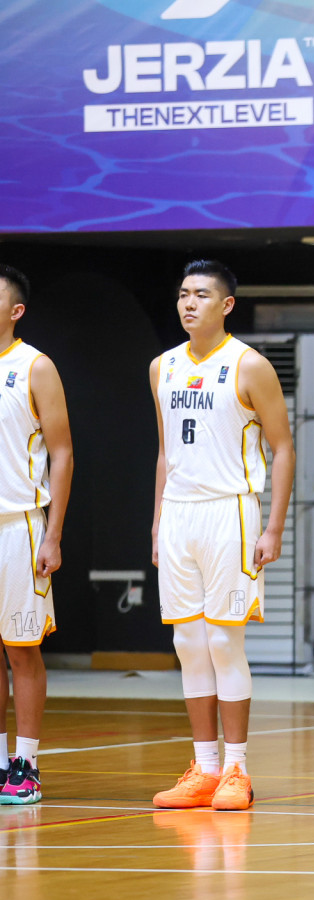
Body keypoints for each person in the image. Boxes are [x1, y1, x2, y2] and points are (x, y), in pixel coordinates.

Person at [151, 260, 294, 812]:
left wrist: (274, 524)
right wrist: (158, 520)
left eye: (202, 295)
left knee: (222, 641)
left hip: (230, 512)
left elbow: (283, 447)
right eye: (184, 294)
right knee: (188, 643)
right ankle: (204, 768)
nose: (189, 304)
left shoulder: (250, 365)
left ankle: (236, 767)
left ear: (226, 304)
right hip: (180, 513)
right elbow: (166, 452)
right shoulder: (161, 367)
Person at [0, 265, 74, 806]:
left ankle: (25, 762)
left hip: (19, 525)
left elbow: (62, 451)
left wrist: (53, 533)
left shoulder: (35, 366)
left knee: (21, 650)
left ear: (16, 310)